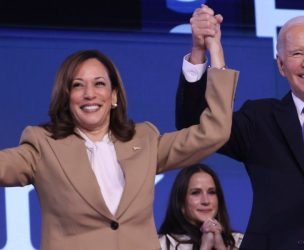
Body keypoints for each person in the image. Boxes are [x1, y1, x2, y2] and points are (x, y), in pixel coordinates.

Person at [0, 48, 238, 249]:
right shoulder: (44, 144)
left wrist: (211, 48)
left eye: (99, 84)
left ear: (113, 95)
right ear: (66, 96)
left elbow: (213, 132)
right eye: (78, 85)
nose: (89, 94)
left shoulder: (144, 139)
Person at [176, 5, 304, 250]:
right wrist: (201, 51)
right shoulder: (260, 118)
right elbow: (194, 127)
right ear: (281, 65)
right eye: (297, 53)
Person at [158, 163, 243, 250]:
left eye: (211, 192)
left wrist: (220, 247)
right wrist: (205, 247)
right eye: (195, 193)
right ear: (181, 202)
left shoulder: (239, 241)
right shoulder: (161, 244)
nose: (206, 201)